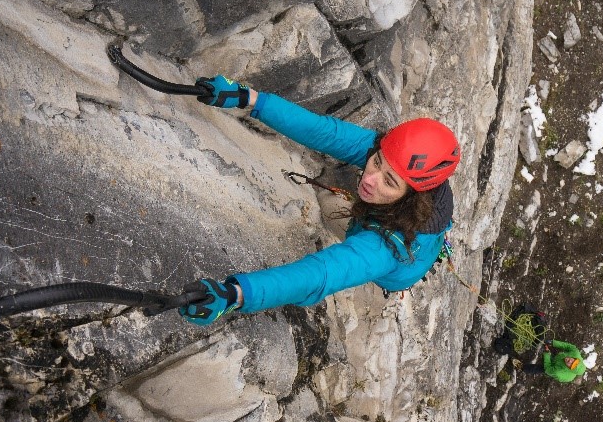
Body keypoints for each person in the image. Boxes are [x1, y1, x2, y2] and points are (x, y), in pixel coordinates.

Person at [178, 74, 460, 324]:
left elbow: (321, 274)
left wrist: (235, 294)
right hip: (389, 227)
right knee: (335, 204)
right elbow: (326, 133)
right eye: (376, 162)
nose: (369, 178)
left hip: (392, 267)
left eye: (389, 181)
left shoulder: (386, 250)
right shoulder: (397, 159)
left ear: (411, 198)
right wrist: (248, 98)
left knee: (329, 210)